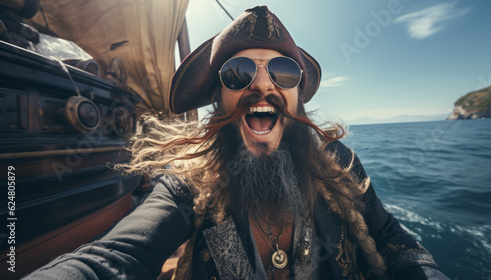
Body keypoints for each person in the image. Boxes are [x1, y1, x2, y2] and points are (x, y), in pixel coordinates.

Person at [25, 6, 450, 280]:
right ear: (218, 99)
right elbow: (113, 259)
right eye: (238, 72)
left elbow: (393, 238)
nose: (263, 85)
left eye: (283, 73)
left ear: (297, 96)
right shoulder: (186, 185)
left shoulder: (339, 163)